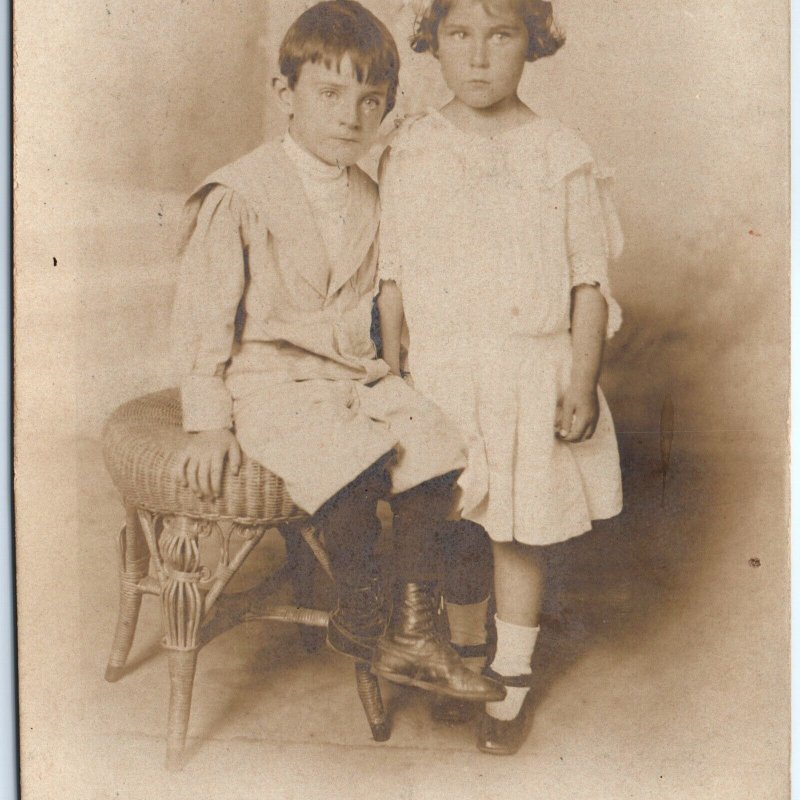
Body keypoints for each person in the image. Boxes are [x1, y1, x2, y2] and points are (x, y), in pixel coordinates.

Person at [170, 0, 504, 705]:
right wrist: (206, 418)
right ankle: (367, 606)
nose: (350, 116)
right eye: (329, 94)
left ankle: (413, 632)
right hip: (271, 383)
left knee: (437, 444)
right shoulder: (242, 192)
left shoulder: (371, 194)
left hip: (352, 375)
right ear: (285, 95)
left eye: (370, 100)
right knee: (349, 464)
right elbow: (202, 314)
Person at [377, 0, 624, 753]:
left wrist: (580, 382)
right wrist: (391, 381)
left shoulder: (561, 153)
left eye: (500, 35)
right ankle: (465, 657)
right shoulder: (411, 149)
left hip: (529, 371)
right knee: (454, 525)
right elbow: (391, 281)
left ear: (533, 43)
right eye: (459, 35)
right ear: (434, 44)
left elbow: (589, 283)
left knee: (518, 531)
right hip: (441, 374)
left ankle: (510, 678)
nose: (479, 57)